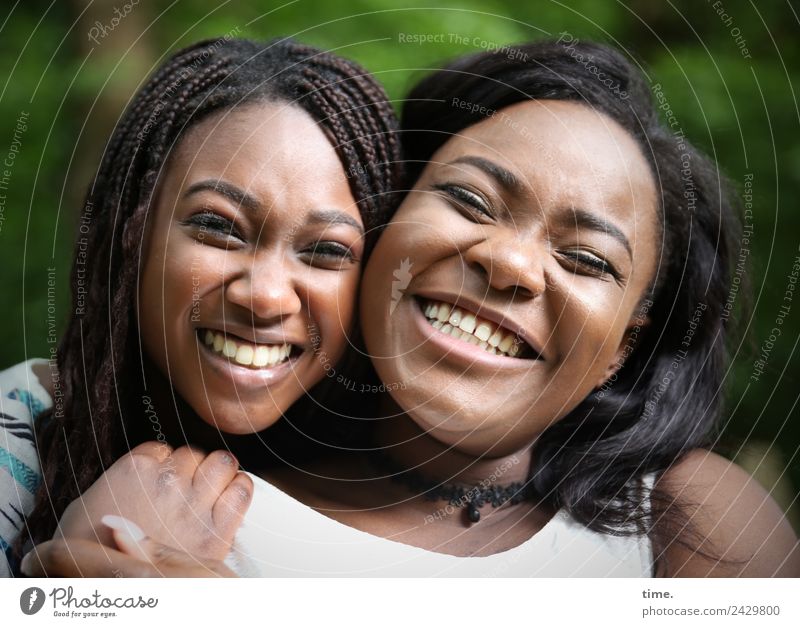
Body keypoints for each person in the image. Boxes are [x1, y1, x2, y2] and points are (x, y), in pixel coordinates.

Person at [23, 39, 800, 577]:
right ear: (382, 230)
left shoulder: (686, 521)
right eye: (469, 199)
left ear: (622, 348)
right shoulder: (165, 501)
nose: (508, 261)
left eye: (587, 259)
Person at [0, 36, 402, 577]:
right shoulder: (12, 446)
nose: (265, 296)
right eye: (218, 227)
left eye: (326, 250)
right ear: (131, 231)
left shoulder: (399, 502)